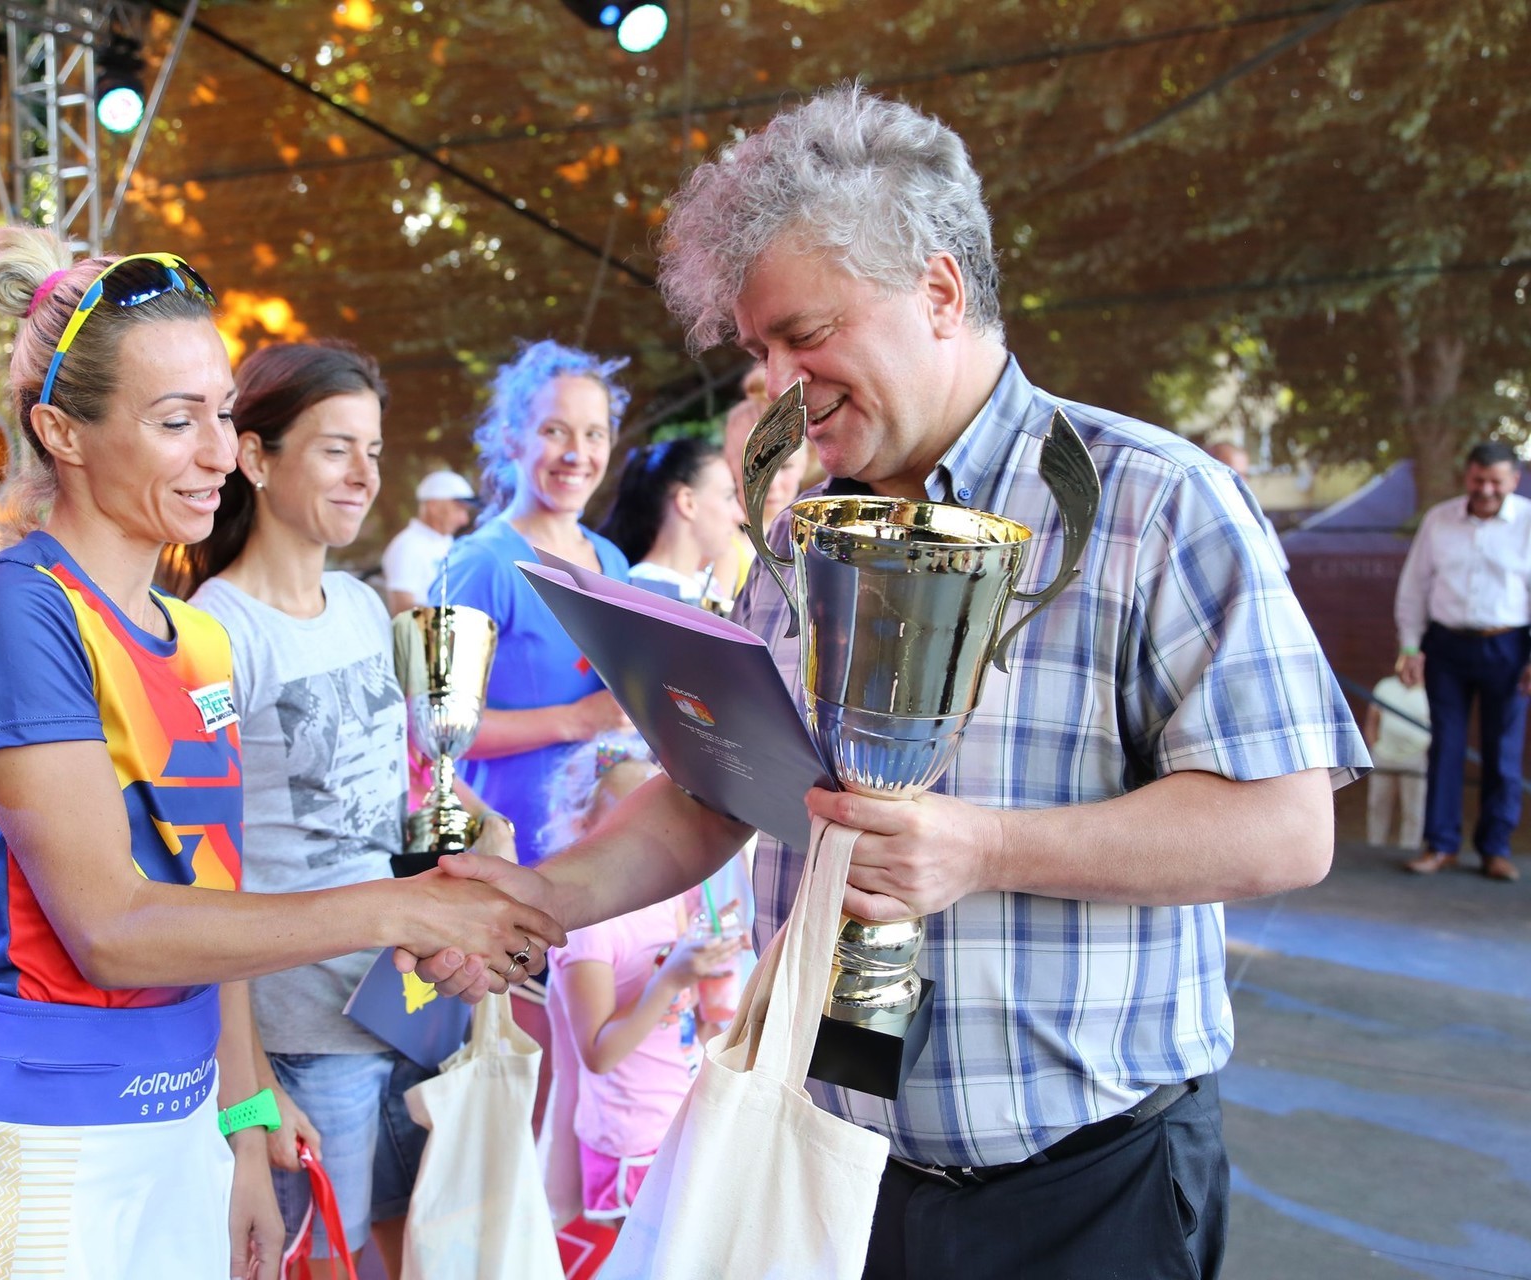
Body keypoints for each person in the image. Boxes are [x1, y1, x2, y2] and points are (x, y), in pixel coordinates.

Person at [403, 86, 1367, 1280]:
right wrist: (538, 898)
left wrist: (987, 846)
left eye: (805, 335)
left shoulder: (1156, 500)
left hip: (1085, 1192)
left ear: (941, 291)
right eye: (759, 352)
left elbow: (1287, 826)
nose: (780, 381)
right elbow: (716, 796)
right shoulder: (802, 531)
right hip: (828, 1176)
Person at [0, 230, 562, 1280]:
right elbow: (113, 929)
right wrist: (402, 909)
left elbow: (209, 906)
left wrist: (239, 1123)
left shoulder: (198, 638)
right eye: (176, 420)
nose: (221, 455)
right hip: (47, 1146)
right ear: (62, 432)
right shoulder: (15, 614)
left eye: (223, 414)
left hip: (183, 1127)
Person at [181, 342, 518, 1279]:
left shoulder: (364, 608)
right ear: (256, 457)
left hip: (408, 1001)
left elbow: (405, 779)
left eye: (372, 450)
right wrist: (250, 1096)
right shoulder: (214, 630)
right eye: (336, 449)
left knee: (426, 1248)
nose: (365, 475)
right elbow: (208, 887)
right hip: (303, 1039)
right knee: (334, 1261)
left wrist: (482, 825)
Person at [541, 733, 743, 1225]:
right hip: (628, 1137)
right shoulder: (586, 929)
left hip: (677, 1114)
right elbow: (599, 1053)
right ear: (583, 827)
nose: (652, 831)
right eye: (628, 817)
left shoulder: (670, 897)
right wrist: (671, 979)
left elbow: (690, 1016)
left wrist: (705, 959)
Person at [447, 339, 635, 867]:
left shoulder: (612, 559)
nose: (577, 454)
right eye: (554, 431)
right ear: (512, 438)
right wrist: (576, 719)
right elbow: (437, 733)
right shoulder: (481, 563)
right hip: (512, 847)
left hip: (606, 847)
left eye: (594, 434)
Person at [1393, 440, 1531, 883]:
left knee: (1503, 751)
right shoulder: (1439, 520)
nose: (1486, 489)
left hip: (1509, 648)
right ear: (1466, 476)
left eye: (1496, 481)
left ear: (1514, 480)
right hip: (1446, 646)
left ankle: (1495, 848)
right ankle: (1440, 845)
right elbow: (1414, 587)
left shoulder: (1528, 522)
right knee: (1446, 746)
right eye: (1478, 479)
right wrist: (1410, 647)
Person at [595, 436, 744, 608]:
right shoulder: (645, 593)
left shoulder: (700, 588)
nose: (739, 515)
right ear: (688, 503)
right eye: (728, 497)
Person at [708, 384, 810, 605]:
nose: (772, 484)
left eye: (785, 467)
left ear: (804, 464)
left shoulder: (815, 544)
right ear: (730, 465)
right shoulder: (725, 550)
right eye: (756, 468)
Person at [381, 469, 477, 614]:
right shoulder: (407, 547)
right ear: (433, 506)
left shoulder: (446, 542)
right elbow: (401, 610)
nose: (464, 520)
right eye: (458, 509)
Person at [1362, 674, 1430, 850]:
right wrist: (1374, 746)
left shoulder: (1433, 688)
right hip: (1383, 756)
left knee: (1414, 809)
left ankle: (1410, 849)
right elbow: (1372, 719)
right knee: (1377, 804)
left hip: (1416, 757)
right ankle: (1374, 847)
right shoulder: (1385, 686)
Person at [1203, 439, 1289, 572]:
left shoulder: (1259, 524)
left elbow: (1277, 574)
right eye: (1233, 473)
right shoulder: (1189, 518)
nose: (1241, 482)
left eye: (1244, 474)